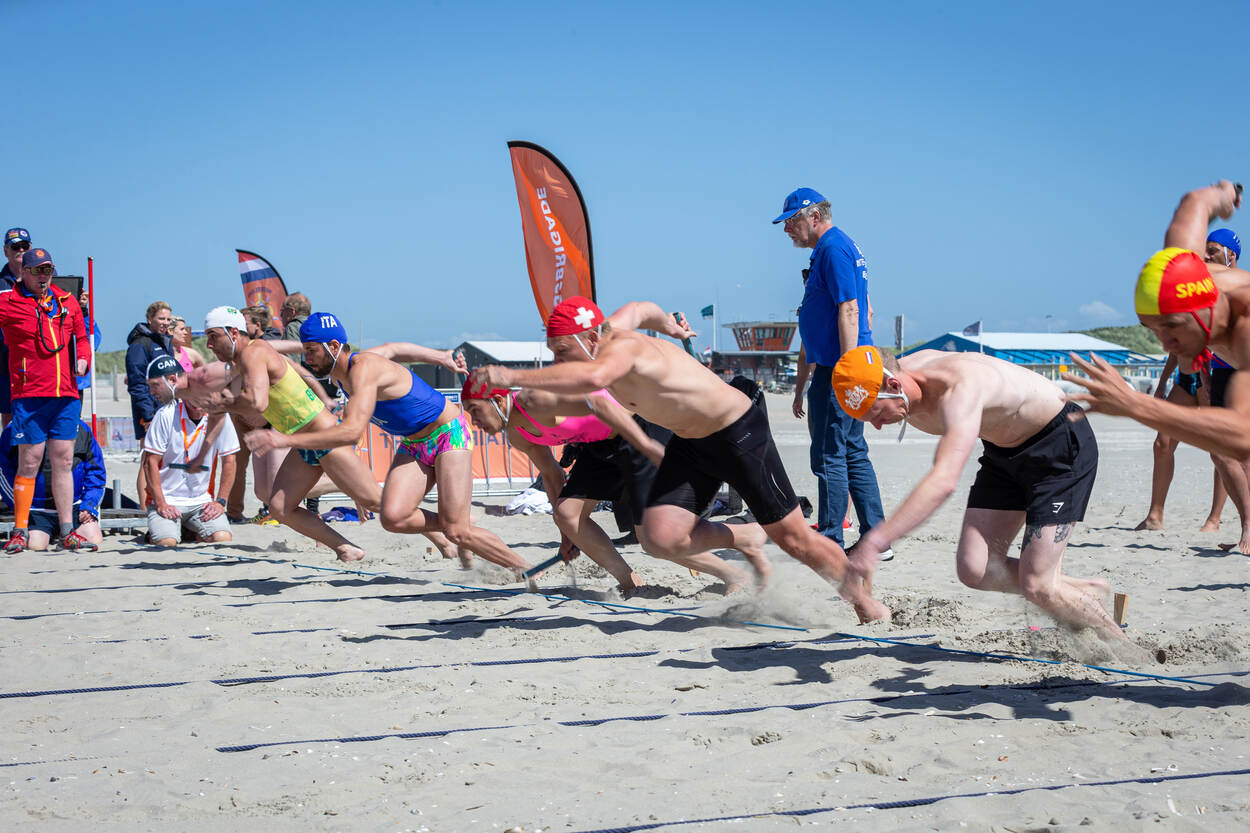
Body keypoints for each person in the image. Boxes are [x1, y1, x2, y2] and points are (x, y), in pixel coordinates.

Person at [468, 296, 888, 621]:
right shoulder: (613, 328)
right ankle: (746, 536)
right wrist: (669, 325)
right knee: (659, 538)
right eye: (554, 353)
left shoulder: (617, 352)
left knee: (794, 539)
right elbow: (641, 308)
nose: (558, 362)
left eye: (562, 351)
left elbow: (593, 378)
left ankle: (865, 602)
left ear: (591, 338)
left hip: (738, 430)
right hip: (691, 442)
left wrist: (509, 376)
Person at [832, 346, 1127, 642]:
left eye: (876, 414)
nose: (877, 426)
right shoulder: (897, 374)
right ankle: (1081, 591)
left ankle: (1125, 648)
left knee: (1038, 585)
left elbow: (944, 480)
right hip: (1003, 452)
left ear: (894, 385)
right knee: (976, 569)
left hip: (1057, 447)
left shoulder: (958, 388)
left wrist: (875, 542)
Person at [242, 314, 534, 575]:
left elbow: (351, 432)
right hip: (415, 443)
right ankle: (455, 524)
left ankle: (527, 570)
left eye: (312, 351)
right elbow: (394, 348)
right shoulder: (344, 373)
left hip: (448, 433)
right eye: (305, 351)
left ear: (333, 346)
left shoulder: (363, 368)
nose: (307, 359)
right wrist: (441, 357)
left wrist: (285, 439)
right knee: (393, 518)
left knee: (457, 530)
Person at [1066, 181, 1250, 460]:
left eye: (1171, 326)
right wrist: (1225, 195)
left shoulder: (1244, 323)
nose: (1165, 345)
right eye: (1154, 329)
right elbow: (1196, 202)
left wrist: (1134, 404)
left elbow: (1243, 437)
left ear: (1203, 308)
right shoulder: (1181, 264)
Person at [188, 306, 380, 562]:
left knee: (378, 502)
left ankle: (434, 530)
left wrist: (223, 403)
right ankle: (346, 548)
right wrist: (201, 454)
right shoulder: (241, 363)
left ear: (233, 333)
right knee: (278, 506)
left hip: (321, 432)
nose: (209, 344)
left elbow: (257, 403)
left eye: (213, 336)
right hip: (302, 440)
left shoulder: (254, 352)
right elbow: (220, 413)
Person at [774, 187, 888, 555]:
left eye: (791, 221)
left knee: (829, 454)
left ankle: (831, 540)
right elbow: (867, 308)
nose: (786, 229)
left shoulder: (834, 248)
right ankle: (876, 539)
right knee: (852, 450)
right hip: (841, 364)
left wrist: (848, 368)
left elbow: (852, 309)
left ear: (814, 217)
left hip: (840, 367)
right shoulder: (837, 247)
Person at [1135, 227, 1250, 548]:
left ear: (1231, 254)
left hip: (1233, 373)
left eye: (1213, 249)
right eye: (1205, 249)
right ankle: (1157, 514)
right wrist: (1172, 381)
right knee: (1187, 446)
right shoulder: (1194, 288)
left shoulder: (1235, 290)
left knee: (1231, 451)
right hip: (1205, 373)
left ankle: (1220, 520)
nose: (1207, 254)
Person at [0, 247, 92, 552]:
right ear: (24, 272)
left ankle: (67, 530)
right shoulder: (7, 301)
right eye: (38, 270)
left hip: (66, 394)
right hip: (29, 395)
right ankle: (20, 530)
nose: (44, 275)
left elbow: (82, 336)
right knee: (29, 461)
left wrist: (83, 358)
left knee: (64, 460)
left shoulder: (66, 301)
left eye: (48, 269)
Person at [141, 355, 237, 547]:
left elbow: (230, 460)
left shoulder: (219, 416)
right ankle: (161, 531)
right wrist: (161, 503)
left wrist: (220, 501)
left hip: (200, 501)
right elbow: (149, 462)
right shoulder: (166, 415)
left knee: (222, 538)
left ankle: (188, 529)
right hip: (168, 499)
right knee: (167, 542)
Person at [0, 418, 104, 552]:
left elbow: (96, 471)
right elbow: (3, 471)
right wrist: (22, 507)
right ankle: (52, 534)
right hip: (37, 510)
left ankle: (64, 533)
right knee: (36, 545)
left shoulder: (80, 427)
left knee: (94, 538)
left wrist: (89, 505)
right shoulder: (15, 427)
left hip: (74, 507)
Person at [124, 300, 174, 439]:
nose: (165, 323)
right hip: (150, 411)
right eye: (161, 319)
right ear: (150, 319)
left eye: (168, 319)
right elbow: (137, 383)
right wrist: (148, 415)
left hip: (168, 408)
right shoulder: (139, 345)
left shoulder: (165, 343)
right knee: (150, 451)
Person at [0, 228, 33, 427]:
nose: (20, 250)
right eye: (15, 247)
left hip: (36, 359)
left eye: (24, 246)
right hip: (6, 360)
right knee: (9, 416)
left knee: (37, 414)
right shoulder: (0, 283)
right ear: (6, 251)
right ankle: (9, 447)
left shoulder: (45, 277)